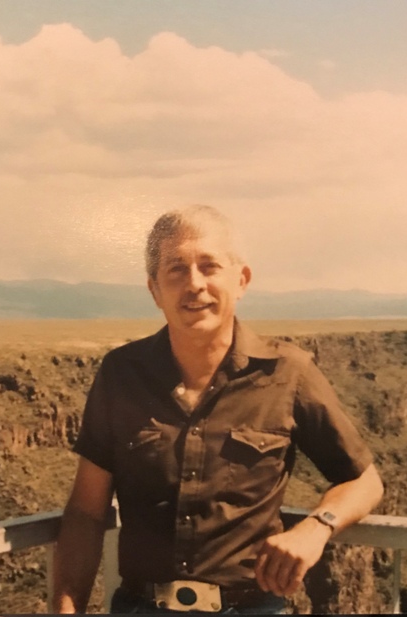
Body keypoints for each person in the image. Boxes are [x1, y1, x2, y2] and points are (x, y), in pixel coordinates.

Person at [53, 205, 384, 614]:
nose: (194, 284)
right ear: (155, 290)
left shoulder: (288, 373)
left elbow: (364, 481)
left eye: (209, 267)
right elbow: (86, 511)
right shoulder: (122, 373)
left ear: (241, 280)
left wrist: (315, 529)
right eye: (176, 269)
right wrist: (65, 609)